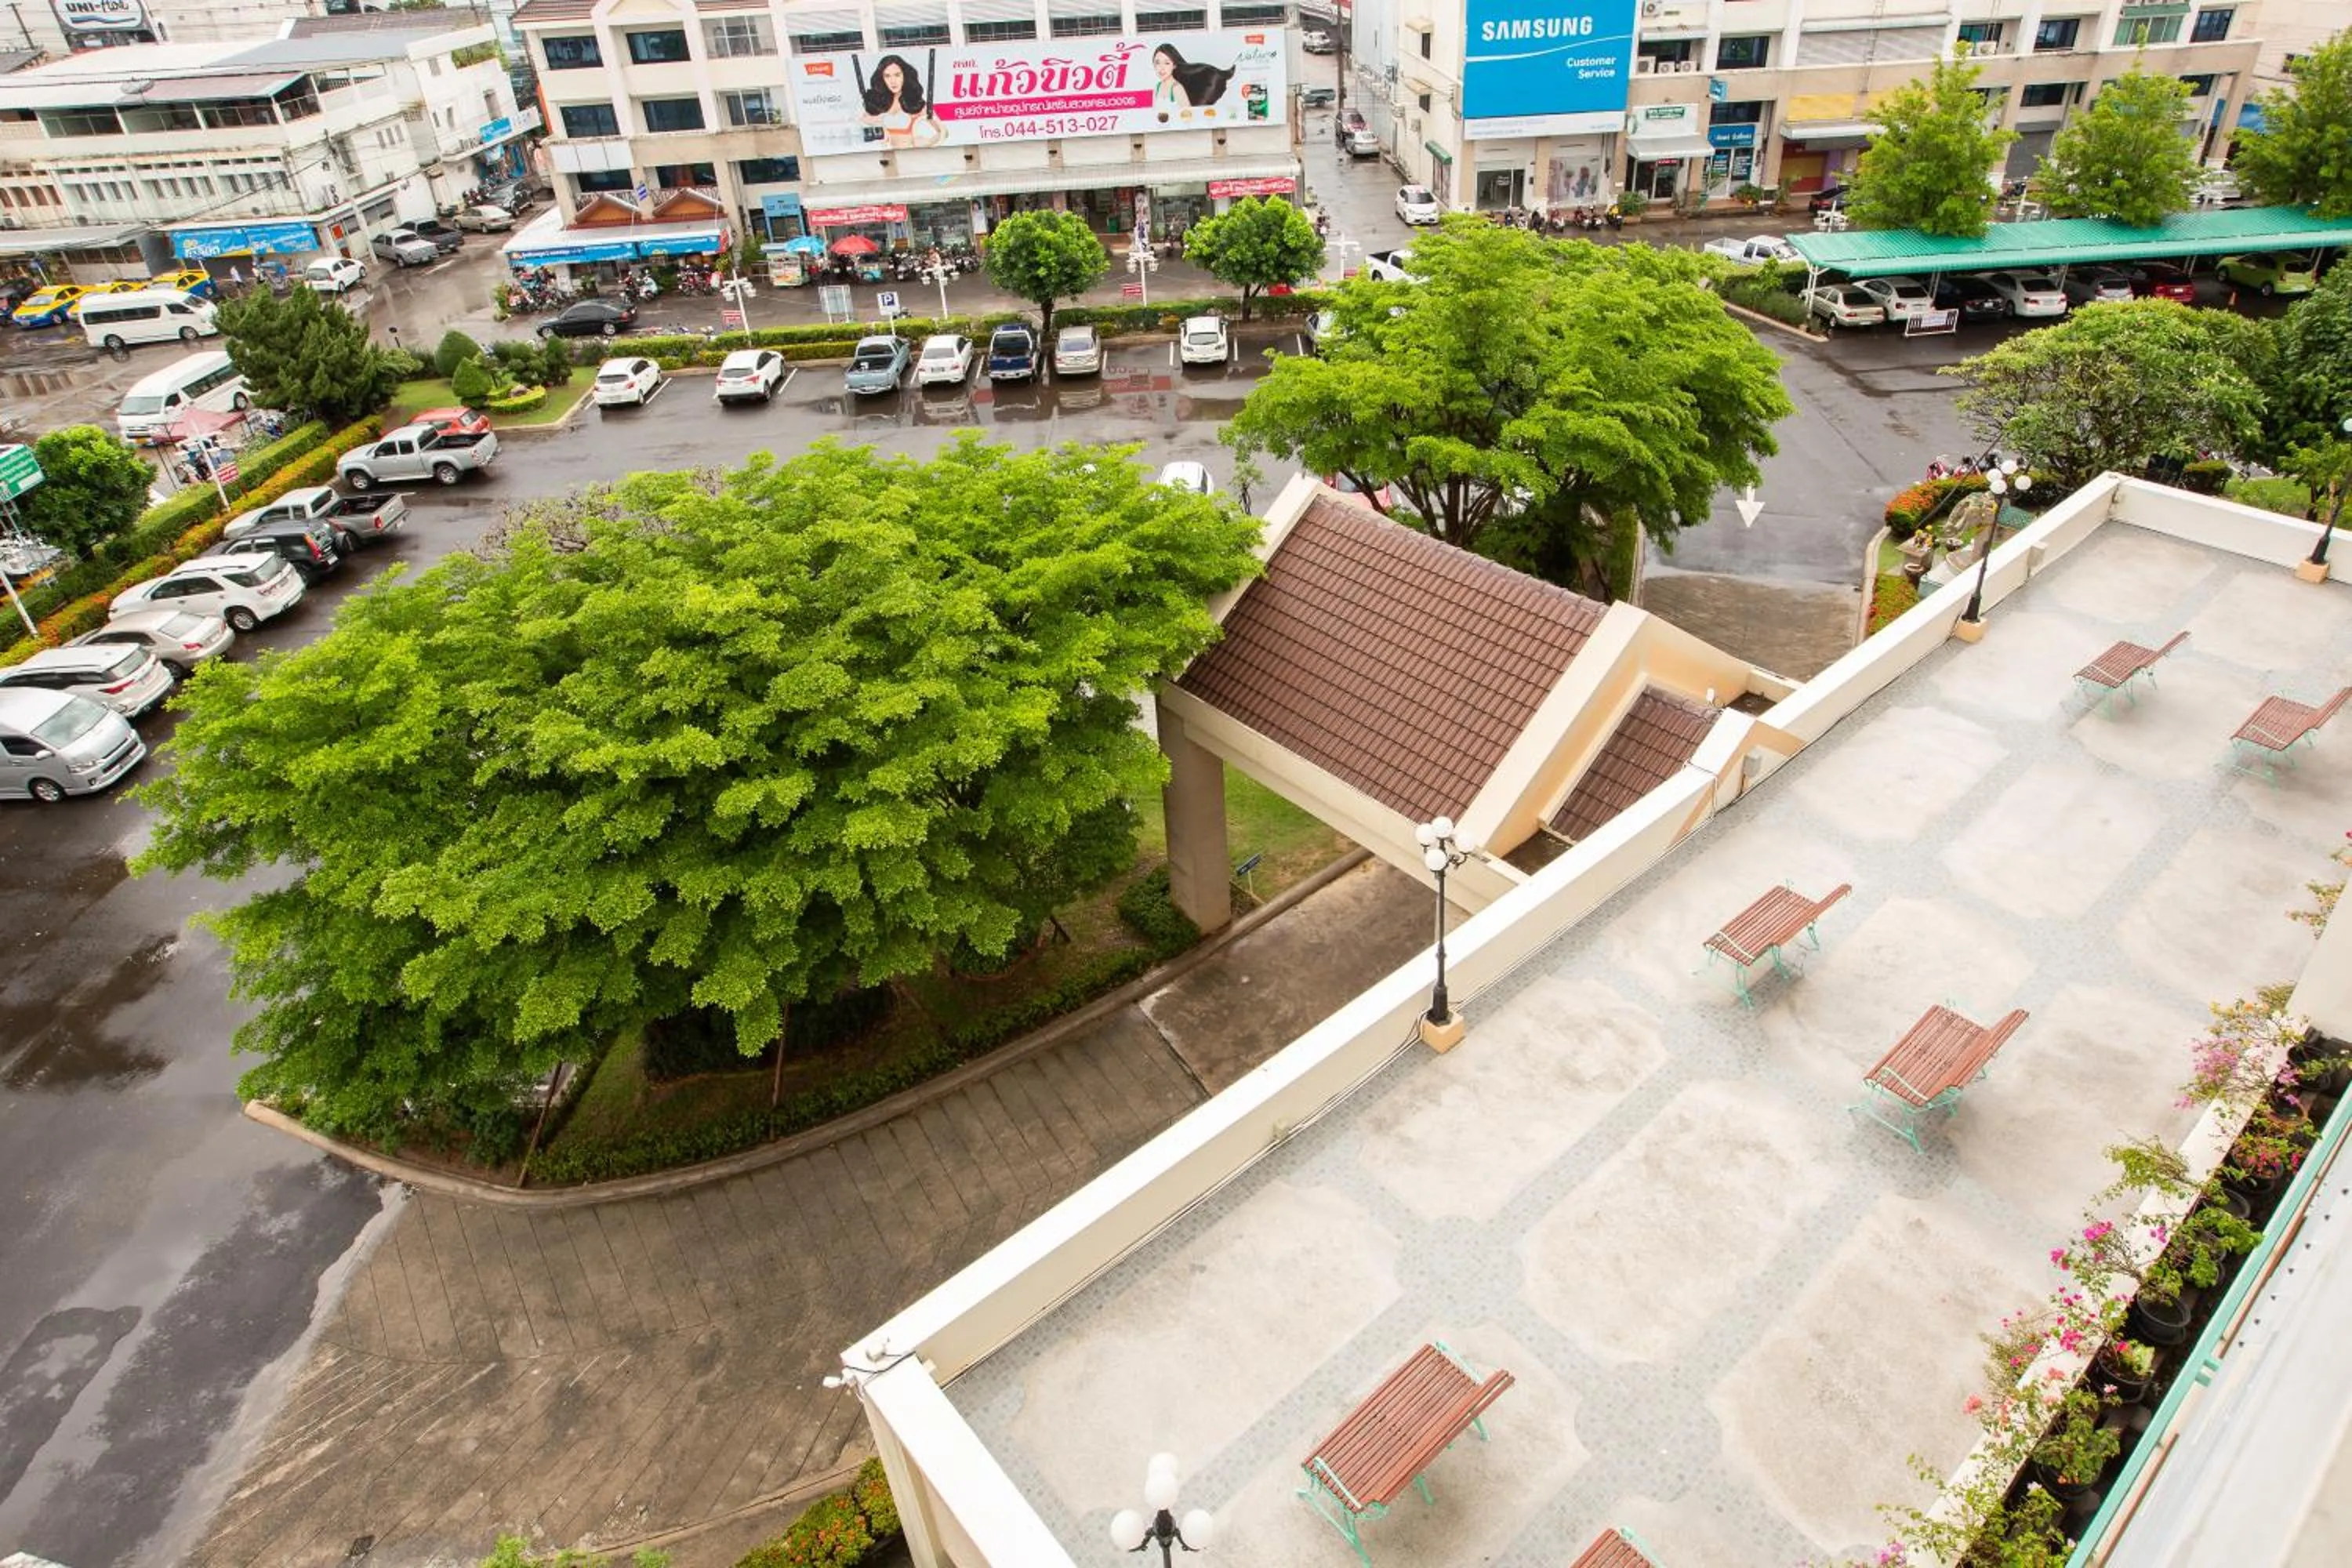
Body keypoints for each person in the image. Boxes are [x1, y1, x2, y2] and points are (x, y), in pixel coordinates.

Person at [860, 53, 943, 148]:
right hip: (884, 157)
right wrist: (877, 129)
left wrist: (929, 142)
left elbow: (943, 132)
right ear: (882, 79)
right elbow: (859, 128)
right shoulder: (877, 103)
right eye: (887, 76)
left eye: (897, 75)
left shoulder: (916, 103)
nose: (893, 81)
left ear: (905, 75)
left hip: (909, 156)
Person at [1152, 44, 1234, 122]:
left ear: (1174, 65)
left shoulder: (1177, 89)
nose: (1161, 68)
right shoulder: (1157, 87)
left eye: (1167, 63)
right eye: (1158, 63)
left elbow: (1189, 117)